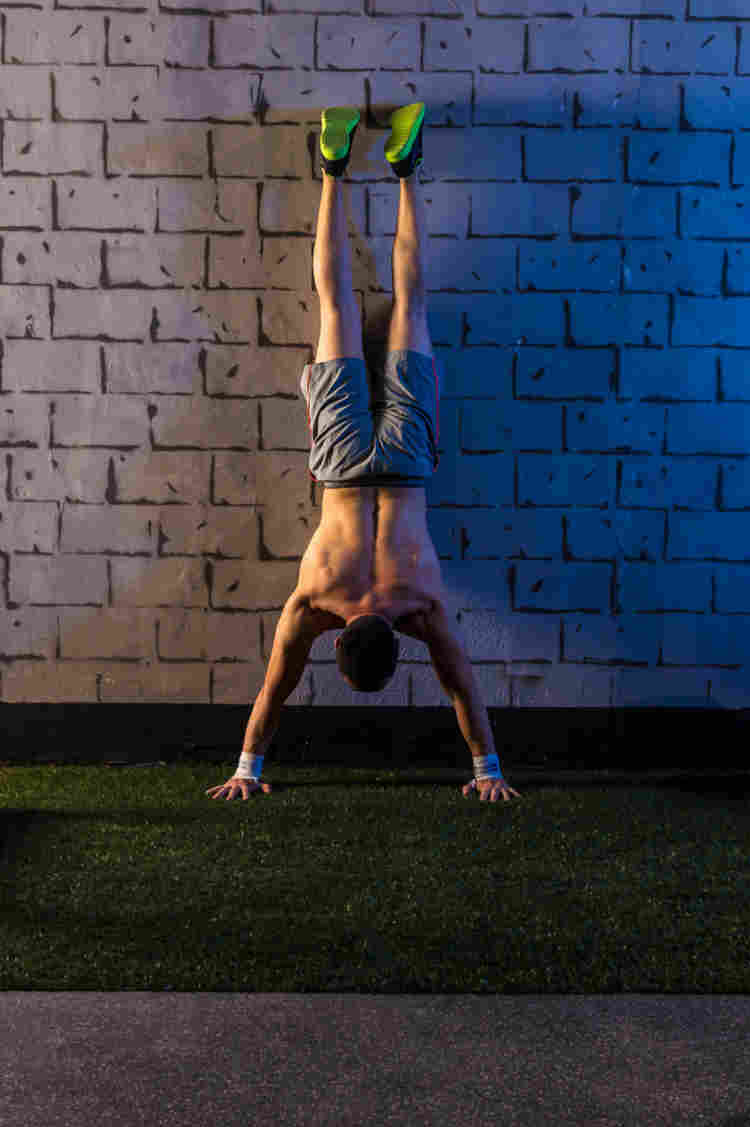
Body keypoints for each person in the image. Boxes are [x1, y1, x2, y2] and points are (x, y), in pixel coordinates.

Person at [206, 102, 519, 805]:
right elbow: (275, 690)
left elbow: (461, 689)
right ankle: (335, 166)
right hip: (342, 467)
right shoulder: (314, 604)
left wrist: (489, 772)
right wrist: (246, 767)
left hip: (407, 466)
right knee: (337, 306)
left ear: (388, 641)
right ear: (341, 643)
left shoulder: (420, 609)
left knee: (408, 302)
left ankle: (403, 169)